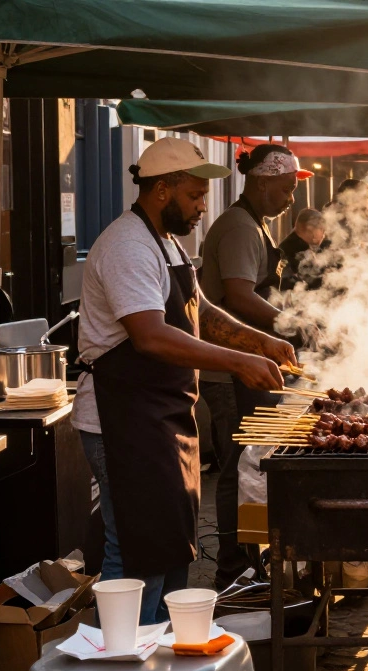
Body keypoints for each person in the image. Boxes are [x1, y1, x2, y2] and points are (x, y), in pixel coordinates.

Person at [74, 138, 293, 623]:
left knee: (172, 545)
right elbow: (151, 336)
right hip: (121, 418)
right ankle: (124, 666)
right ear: (161, 191)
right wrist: (238, 363)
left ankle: (159, 653)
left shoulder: (167, 242)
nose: (201, 208)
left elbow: (201, 310)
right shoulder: (127, 245)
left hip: (161, 415)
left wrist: (259, 341)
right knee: (135, 551)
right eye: (194, 196)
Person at [198, 143, 308, 587]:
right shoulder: (241, 228)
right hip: (229, 370)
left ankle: (246, 557)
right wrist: (291, 325)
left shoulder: (253, 224)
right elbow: (239, 296)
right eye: (285, 188)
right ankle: (232, 565)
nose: (291, 199)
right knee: (236, 467)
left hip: (248, 363)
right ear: (261, 181)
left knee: (246, 464)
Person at [278, 208, 329, 292]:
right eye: (322, 229)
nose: (324, 234)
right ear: (309, 228)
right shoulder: (286, 250)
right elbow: (286, 282)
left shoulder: (311, 245)